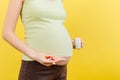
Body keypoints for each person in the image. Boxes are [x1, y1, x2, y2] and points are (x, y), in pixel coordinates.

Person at [2, 0, 84, 80]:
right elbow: (7, 33)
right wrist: (36, 55)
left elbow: (51, 24)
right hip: (37, 67)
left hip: (61, 69)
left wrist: (69, 43)